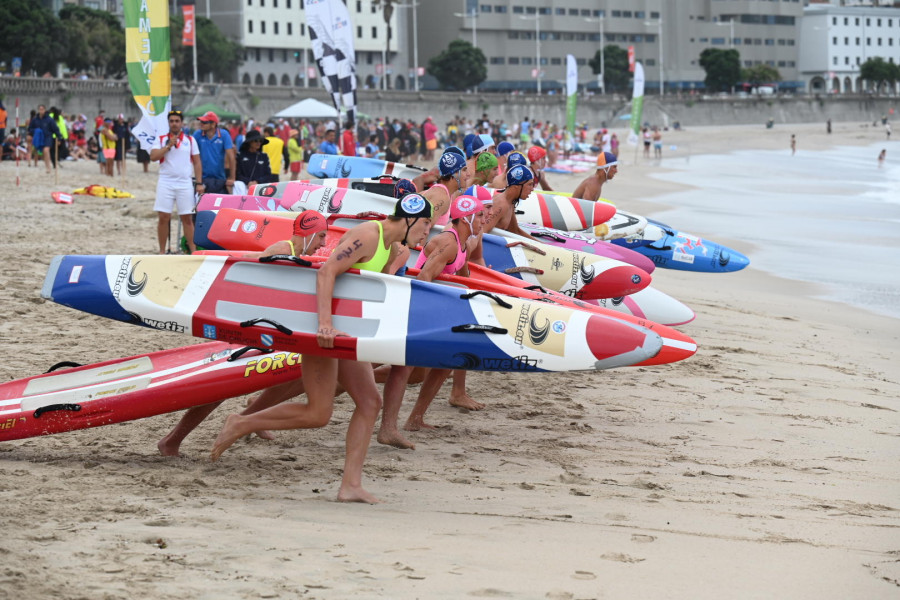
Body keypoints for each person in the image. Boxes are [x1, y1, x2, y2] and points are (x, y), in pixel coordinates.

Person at [210, 195, 435, 504]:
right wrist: (325, 325)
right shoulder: (368, 235)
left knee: (369, 403)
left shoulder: (389, 245)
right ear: (410, 218)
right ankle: (241, 422)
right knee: (318, 414)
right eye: (425, 224)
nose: (426, 233)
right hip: (322, 330)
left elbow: (367, 290)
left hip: (343, 335)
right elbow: (326, 272)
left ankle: (350, 486)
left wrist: (396, 265)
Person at [158, 212, 329, 457]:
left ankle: (255, 418)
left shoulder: (293, 253)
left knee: (282, 375)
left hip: (263, 328)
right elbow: (251, 280)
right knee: (219, 391)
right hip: (246, 328)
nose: (323, 243)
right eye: (321, 236)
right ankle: (171, 441)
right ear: (310, 231)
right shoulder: (282, 249)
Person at [378, 194, 486, 449]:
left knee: (445, 363)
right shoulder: (448, 242)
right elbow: (425, 275)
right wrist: (422, 315)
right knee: (408, 372)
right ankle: (350, 380)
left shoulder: (464, 244)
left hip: (439, 311)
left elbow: (463, 277)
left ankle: (415, 419)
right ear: (467, 217)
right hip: (421, 310)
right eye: (480, 215)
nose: (485, 219)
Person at [149, 110, 201, 255]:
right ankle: (161, 251)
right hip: (166, 181)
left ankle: (193, 250)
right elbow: (153, 157)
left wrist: (199, 182)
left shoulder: (190, 140)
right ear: (168, 123)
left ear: (182, 123)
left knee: (187, 218)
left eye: (177, 121)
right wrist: (167, 146)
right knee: (163, 217)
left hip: (184, 182)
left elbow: (197, 162)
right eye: (171, 121)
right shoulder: (161, 139)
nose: (174, 124)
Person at [193, 110, 235, 193]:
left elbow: (231, 157)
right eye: (201, 121)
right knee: (201, 206)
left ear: (213, 124)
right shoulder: (197, 134)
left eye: (205, 122)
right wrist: (198, 181)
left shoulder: (224, 134)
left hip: (220, 179)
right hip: (202, 179)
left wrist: (232, 177)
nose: (201, 124)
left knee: (220, 205)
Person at [235, 129, 273, 194]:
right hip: (244, 187)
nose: (259, 143)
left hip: (260, 187)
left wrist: (257, 182)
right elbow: (238, 174)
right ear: (250, 142)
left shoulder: (264, 156)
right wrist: (248, 182)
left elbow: (268, 175)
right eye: (256, 140)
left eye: (260, 141)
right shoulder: (240, 156)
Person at [28, 105, 61, 174]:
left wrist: (59, 138)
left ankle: (48, 167)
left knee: (46, 150)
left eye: (42, 109)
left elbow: (55, 129)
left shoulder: (49, 120)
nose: (41, 110)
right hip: (39, 137)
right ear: (38, 110)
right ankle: (35, 163)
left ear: (45, 110)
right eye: (40, 109)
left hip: (48, 136)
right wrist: (35, 131)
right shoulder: (35, 119)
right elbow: (30, 129)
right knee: (38, 151)